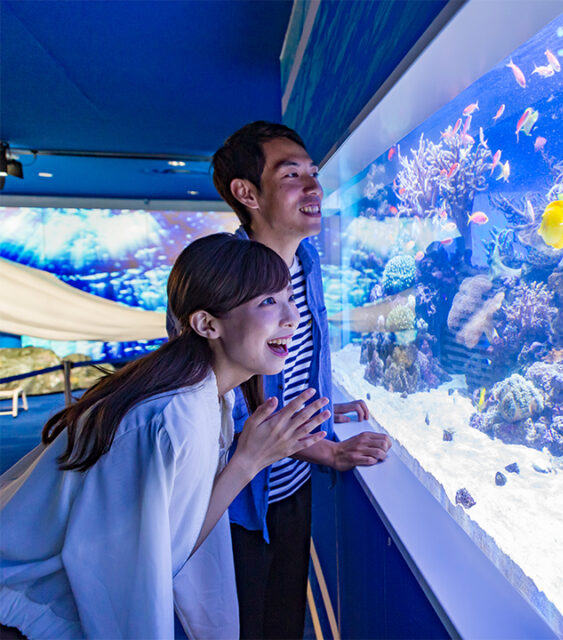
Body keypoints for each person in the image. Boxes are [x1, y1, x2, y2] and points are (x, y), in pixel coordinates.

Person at [0, 233, 331, 639]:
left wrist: (251, 456)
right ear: (207, 323)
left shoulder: (202, 392)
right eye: (267, 302)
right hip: (26, 612)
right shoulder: (179, 415)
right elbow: (155, 560)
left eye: (288, 297)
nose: (292, 317)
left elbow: (168, 535)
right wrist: (248, 461)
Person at [212, 121, 391, 639]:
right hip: (241, 498)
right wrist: (330, 452)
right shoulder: (227, 278)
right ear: (246, 193)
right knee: (245, 624)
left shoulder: (305, 260)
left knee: (286, 618)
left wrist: (320, 409)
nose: (314, 187)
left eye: (314, 173)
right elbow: (230, 407)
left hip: (293, 483)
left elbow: (286, 364)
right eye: (292, 174)